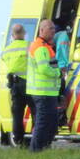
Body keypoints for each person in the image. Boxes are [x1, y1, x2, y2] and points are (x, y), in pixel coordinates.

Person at [26, 19, 61, 152]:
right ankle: (35, 150)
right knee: (43, 123)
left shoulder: (46, 46)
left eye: (54, 29)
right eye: (50, 29)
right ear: (42, 30)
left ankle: (43, 149)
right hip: (43, 93)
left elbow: (51, 65)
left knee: (50, 124)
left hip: (48, 92)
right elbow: (44, 69)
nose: (53, 31)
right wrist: (58, 74)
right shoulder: (40, 47)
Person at [0, 24, 30, 146]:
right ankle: (38, 138)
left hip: (15, 83)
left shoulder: (7, 49)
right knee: (35, 111)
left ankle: (18, 140)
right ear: (24, 34)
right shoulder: (29, 46)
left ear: (12, 36)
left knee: (17, 114)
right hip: (29, 84)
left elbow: (4, 59)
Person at [53, 21, 71, 128]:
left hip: (64, 68)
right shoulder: (62, 35)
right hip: (62, 68)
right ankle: (61, 119)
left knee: (62, 95)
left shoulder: (60, 35)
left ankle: (61, 118)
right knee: (62, 96)